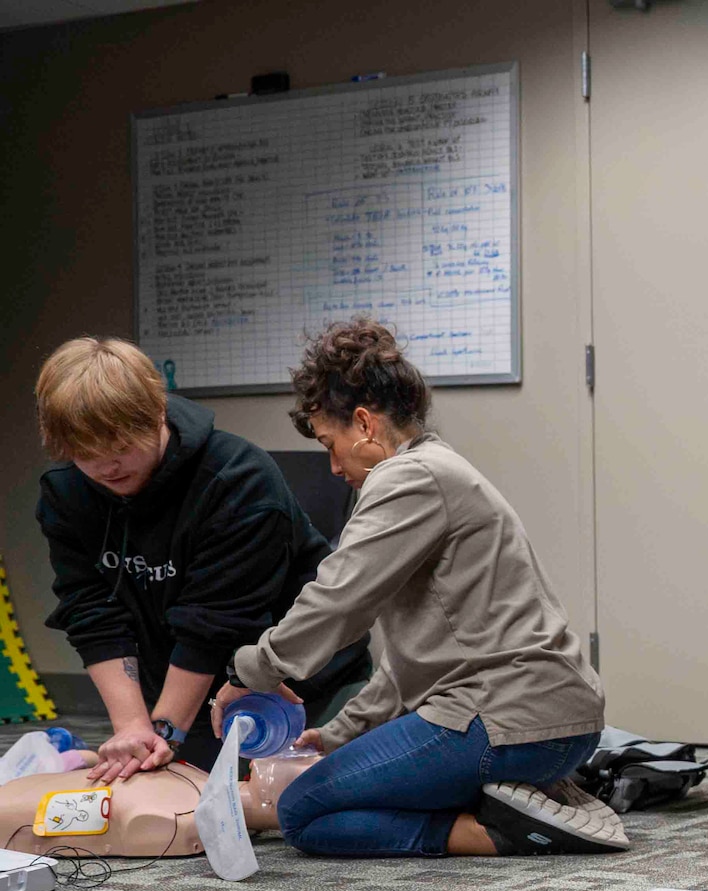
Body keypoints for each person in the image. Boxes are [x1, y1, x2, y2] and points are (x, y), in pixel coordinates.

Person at [208, 319, 623, 858]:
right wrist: (339, 732)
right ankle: (528, 795)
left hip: (504, 721)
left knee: (303, 813)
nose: (333, 467)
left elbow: (337, 602)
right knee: (339, 784)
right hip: (552, 724)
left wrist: (249, 671)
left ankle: (495, 831)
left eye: (332, 446)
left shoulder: (407, 479)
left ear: (364, 423)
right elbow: (413, 662)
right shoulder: (436, 469)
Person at [33, 337, 371, 778]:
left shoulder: (238, 479)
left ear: (156, 412)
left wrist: (165, 733)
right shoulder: (66, 491)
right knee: (163, 782)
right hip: (184, 687)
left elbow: (212, 624)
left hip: (299, 688)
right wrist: (136, 728)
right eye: (86, 455)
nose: (106, 468)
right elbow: (91, 611)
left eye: (120, 448)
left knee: (289, 800)